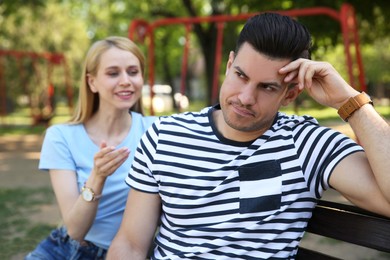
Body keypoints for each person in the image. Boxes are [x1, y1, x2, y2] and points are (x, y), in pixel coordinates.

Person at [107, 13, 390, 259]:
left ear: (290, 94)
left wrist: (351, 103)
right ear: (229, 64)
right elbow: (131, 244)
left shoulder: (306, 145)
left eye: (266, 87)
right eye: (241, 76)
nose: (245, 98)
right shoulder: (164, 136)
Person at [25, 36, 157, 259]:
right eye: (113, 73)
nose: (126, 80)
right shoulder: (60, 137)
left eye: (133, 72)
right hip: (68, 249)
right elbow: (75, 230)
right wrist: (98, 176)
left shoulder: (157, 131)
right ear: (92, 82)